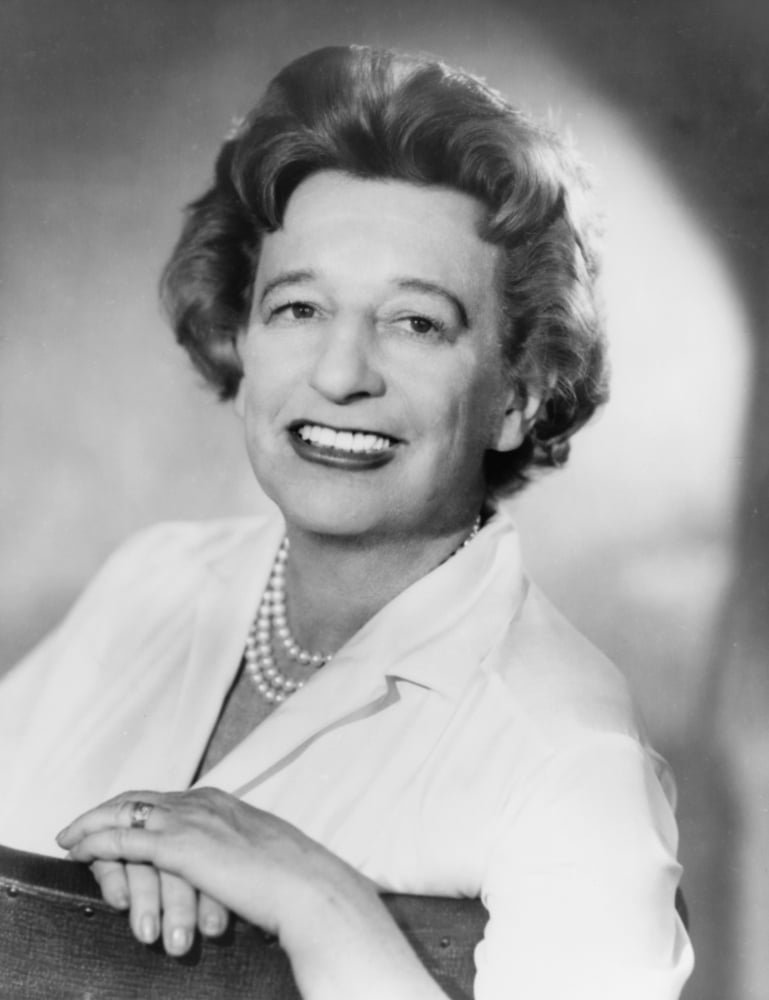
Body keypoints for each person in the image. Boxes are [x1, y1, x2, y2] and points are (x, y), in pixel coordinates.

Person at [0, 45, 693, 999]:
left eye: (415, 323)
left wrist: (320, 902)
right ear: (240, 337)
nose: (338, 374)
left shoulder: (569, 757)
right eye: (297, 307)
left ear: (518, 397)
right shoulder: (153, 580)